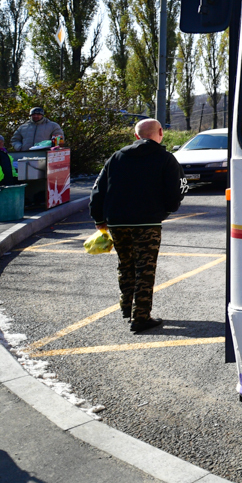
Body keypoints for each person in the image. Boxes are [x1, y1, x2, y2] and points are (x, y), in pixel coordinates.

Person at [90, 119, 184, 332]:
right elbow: (178, 189)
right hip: (147, 221)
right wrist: (168, 209)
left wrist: (99, 218)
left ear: (136, 136)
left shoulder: (116, 157)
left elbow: (98, 189)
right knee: (145, 269)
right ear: (160, 132)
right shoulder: (166, 158)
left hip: (117, 221)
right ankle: (140, 317)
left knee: (126, 265)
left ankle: (126, 307)